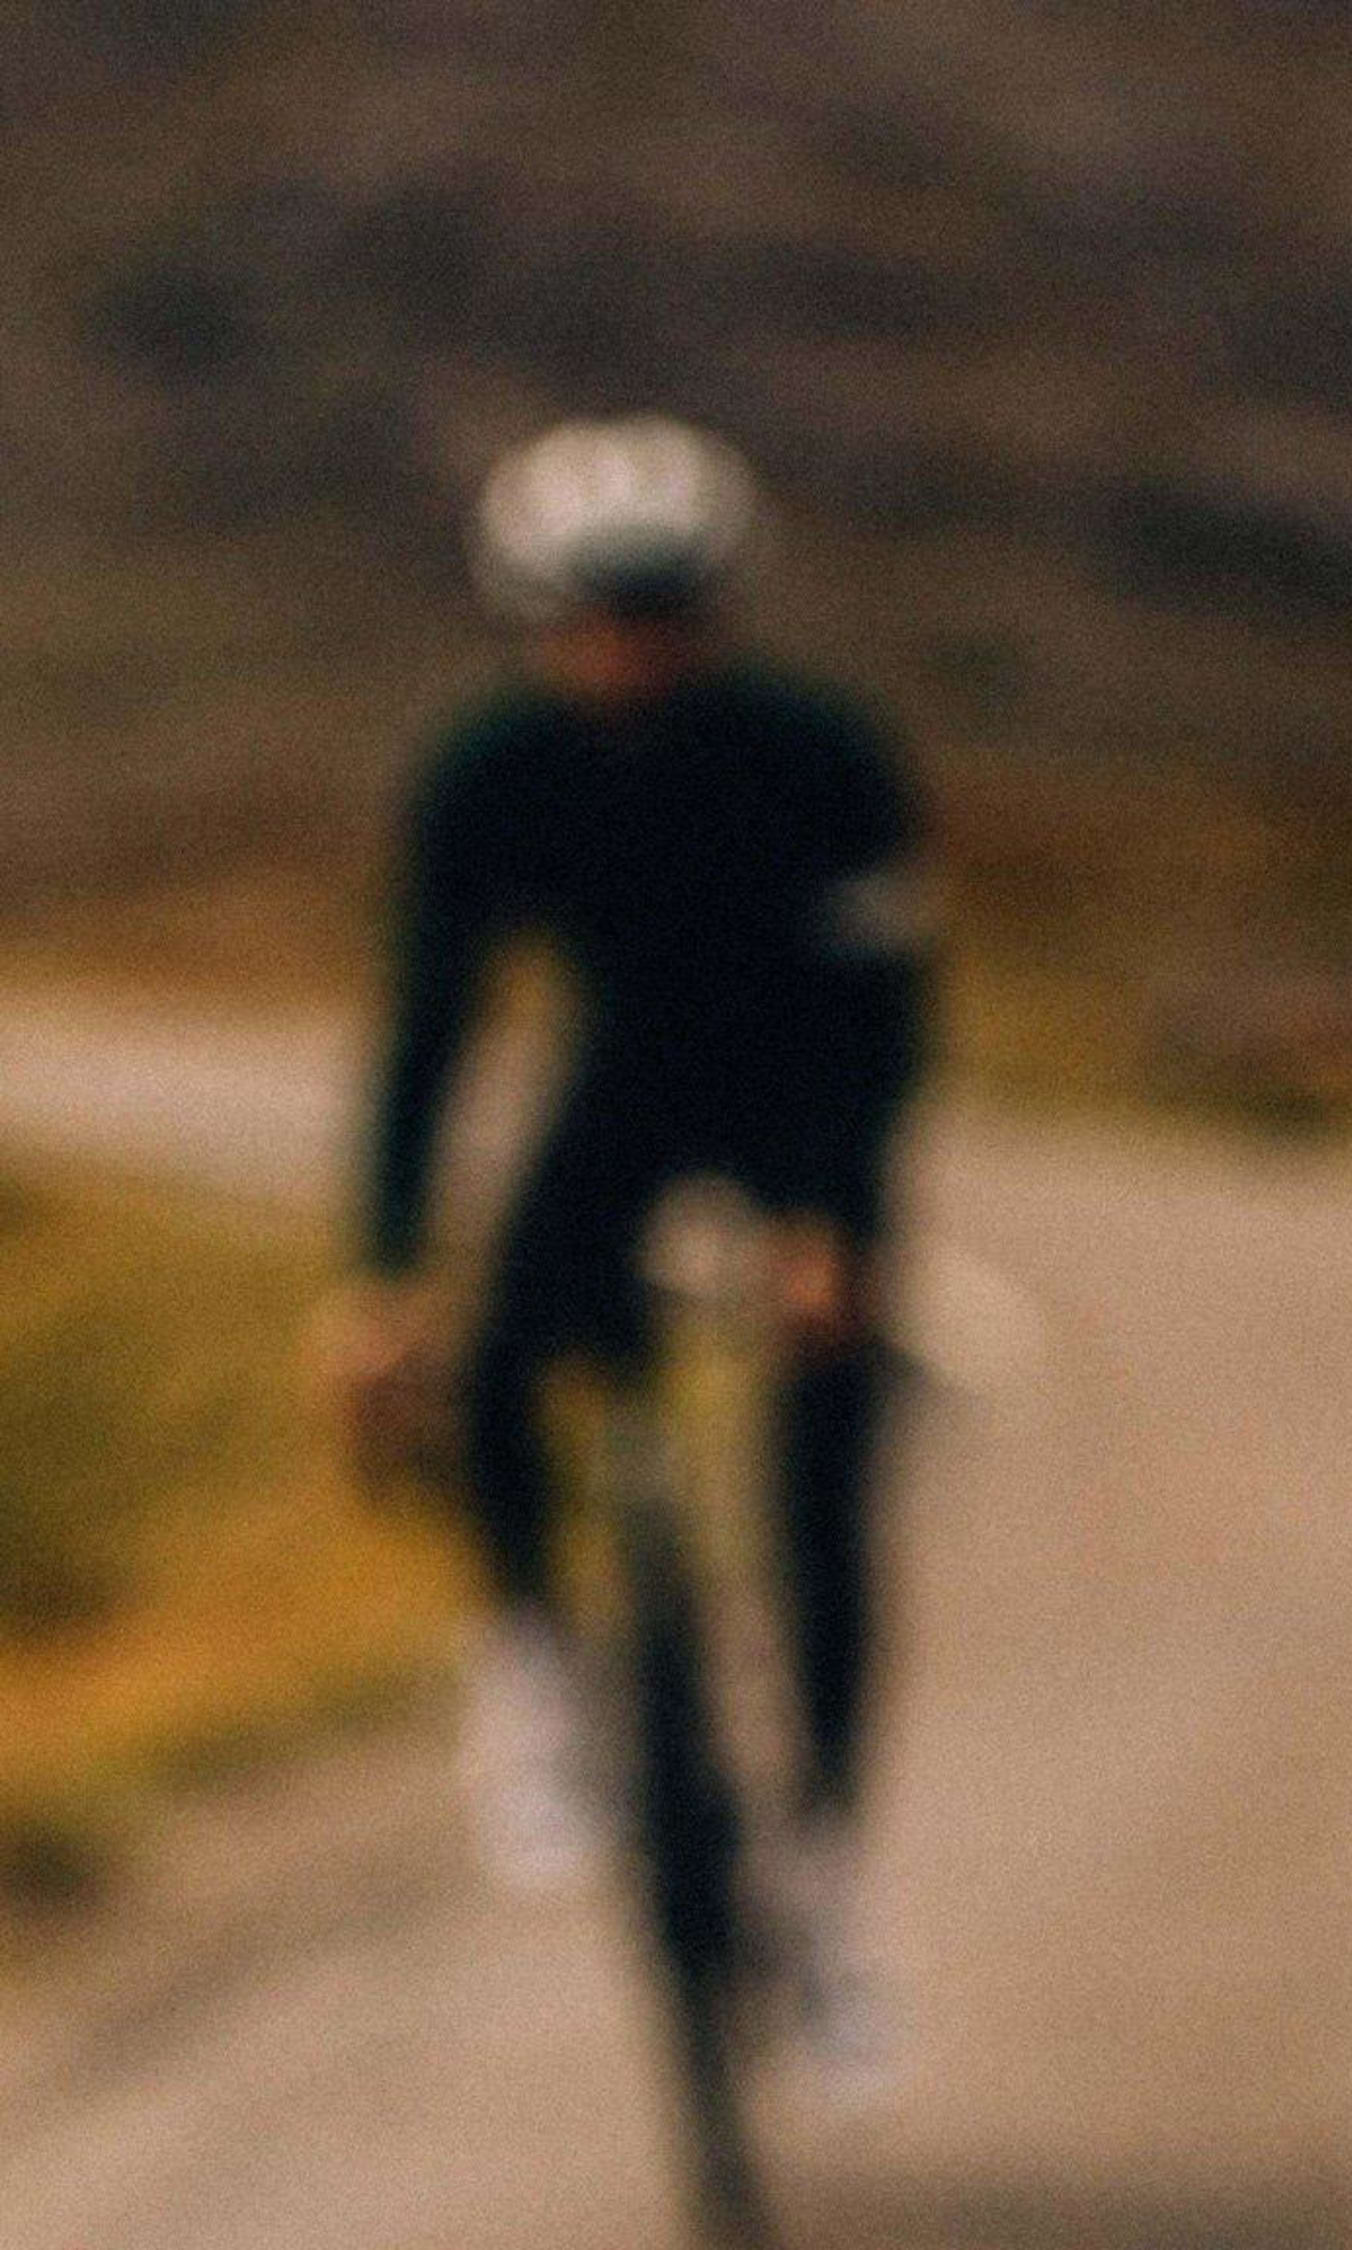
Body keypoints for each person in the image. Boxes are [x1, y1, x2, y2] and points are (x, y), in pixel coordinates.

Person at [332, 418, 932, 2056]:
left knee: (825, 1474)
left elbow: (879, 1018)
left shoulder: (821, 758)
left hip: (801, 1090)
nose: (632, 645)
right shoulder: (490, 777)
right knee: (506, 1353)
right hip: (623, 1091)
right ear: (536, 616)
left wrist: (832, 1223)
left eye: (664, 608)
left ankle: (821, 1876)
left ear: (720, 606)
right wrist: (380, 1273)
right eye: (597, 613)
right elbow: (427, 1034)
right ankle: (531, 1664)